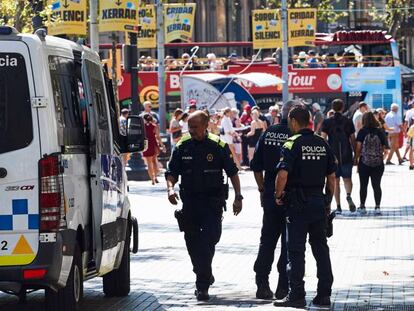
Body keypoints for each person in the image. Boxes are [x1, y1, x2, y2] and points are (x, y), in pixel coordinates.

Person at [165, 111, 243, 301]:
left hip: (212, 203)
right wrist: (170, 189)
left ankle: (203, 275)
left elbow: (232, 172)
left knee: (209, 239)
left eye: (195, 127)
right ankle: (203, 280)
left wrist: (238, 197)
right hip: (190, 203)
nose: (191, 131)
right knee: (192, 243)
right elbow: (172, 172)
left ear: (206, 125)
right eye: (189, 127)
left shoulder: (218, 145)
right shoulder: (182, 145)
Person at [273, 105, 336, 308]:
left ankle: (296, 295)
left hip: (297, 205)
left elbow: (282, 174)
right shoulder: (322, 143)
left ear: (292, 121)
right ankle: (324, 294)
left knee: (296, 251)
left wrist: (278, 195)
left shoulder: (291, 144)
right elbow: (332, 178)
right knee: (321, 249)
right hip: (318, 203)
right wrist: (327, 201)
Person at [250, 101, 296, 300]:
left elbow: (255, 165)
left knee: (267, 240)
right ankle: (283, 287)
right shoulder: (297, 137)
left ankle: (262, 283)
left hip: (269, 194)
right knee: (288, 242)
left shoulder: (268, 133)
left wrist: (262, 189)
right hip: (291, 196)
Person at [321, 99, 357, 214]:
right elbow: (352, 139)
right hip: (346, 154)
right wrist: (356, 155)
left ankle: (338, 205)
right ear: (342, 108)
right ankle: (348, 195)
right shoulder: (348, 121)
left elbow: (323, 139)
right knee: (347, 179)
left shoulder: (327, 122)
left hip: (333, 155)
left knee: (335, 181)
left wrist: (326, 154)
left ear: (332, 107)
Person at [354, 112, 387, 215]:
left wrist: (356, 158)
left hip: (364, 163)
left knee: (363, 185)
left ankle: (362, 206)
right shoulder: (380, 131)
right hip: (378, 163)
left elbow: (358, 147)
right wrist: (380, 157)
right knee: (376, 185)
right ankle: (377, 207)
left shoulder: (362, 132)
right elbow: (385, 148)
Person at [143, 114, 164, 185]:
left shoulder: (142, 127)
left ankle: (152, 179)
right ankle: (155, 177)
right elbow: (158, 137)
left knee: (149, 163)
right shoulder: (155, 126)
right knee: (154, 161)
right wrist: (162, 145)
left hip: (146, 144)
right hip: (153, 143)